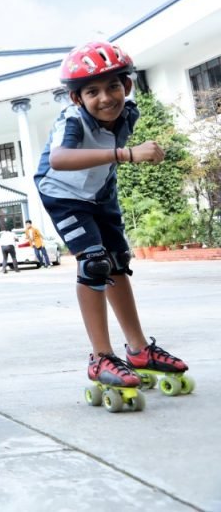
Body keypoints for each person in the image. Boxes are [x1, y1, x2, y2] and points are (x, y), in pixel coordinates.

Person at [34, 41, 188, 395]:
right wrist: (127, 154)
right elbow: (59, 159)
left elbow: (109, 157)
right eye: (92, 91)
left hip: (100, 193)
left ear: (127, 87)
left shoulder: (128, 114)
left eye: (113, 86)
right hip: (62, 194)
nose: (105, 98)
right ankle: (100, 356)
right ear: (77, 99)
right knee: (94, 264)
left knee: (118, 263)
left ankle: (138, 350)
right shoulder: (71, 120)